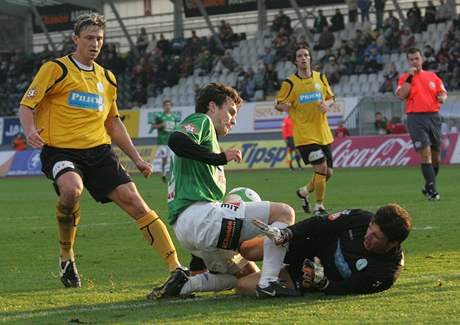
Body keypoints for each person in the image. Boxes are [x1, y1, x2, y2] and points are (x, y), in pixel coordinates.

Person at [17, 13, 186, 291]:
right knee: (72, 190)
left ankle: (176, 268)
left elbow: (113, 122)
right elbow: (27, 105)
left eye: (99, 39)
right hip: (61, 151)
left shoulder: (107, 78)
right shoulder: (56, 69)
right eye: (89, 38)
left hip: (99, 152)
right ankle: (66, 256)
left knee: (136, 202)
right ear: (75, 39)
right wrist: (29, 130)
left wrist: (137, 159)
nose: (95, 43)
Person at [148, 83, 299, 299]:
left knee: (247, 278)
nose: (233, 120)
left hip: (188, 229)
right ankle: (269, 284)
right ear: (212, 107)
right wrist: (219, 158)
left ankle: (186, 284)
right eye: (230, 112)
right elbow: (176, 139)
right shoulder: (202, 121)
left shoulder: (207, 146)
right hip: (200, 217)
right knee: (284, 212)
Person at [237, 203, 412, 296]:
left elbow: (348, 288)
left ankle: (228, 274)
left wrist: (322, 283)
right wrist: (288, 233)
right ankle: (220, 261)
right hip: (308, 244)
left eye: (376, 237)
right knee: (248, 251)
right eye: (370, 229)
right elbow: (318, 222)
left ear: (393, 243)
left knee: (243, 286)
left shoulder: (385, 273)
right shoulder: (362, 218)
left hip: (307, 275)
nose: (368, 236)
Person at [275, 47, 335, 218]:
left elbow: (331, 98)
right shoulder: (290, 83)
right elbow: (278, 103)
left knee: (328, 173)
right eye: (299, 56)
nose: (303, 58)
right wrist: (282, 106)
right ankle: (319, 206)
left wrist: (327, 105)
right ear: (295, 61)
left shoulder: (320, 77)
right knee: (322, 168)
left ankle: (304, 191)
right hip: (305, 135)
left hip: (324, 133)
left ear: (310, 59)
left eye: (306, 55)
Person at [396, 48, 448, 201]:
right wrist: (410, 78)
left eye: (416, 58)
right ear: (408, 61)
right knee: (425, 155)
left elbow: (443, 92)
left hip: (434, 117)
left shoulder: (432, 76)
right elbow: (401, 95)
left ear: (421, 59)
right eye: (411, 59)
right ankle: (432, 191)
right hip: (415, 118)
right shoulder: (405, 78)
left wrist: (442, 97)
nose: (414, 62)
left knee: (436, 157)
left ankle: (427, 186)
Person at [151, 100, 180, 183]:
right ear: (163, 107)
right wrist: (160, 125)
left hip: (171, 141)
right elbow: (152, 126)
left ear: (171, 106)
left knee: (172, 159)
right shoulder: (159, 116)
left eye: (169, 105)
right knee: (164, 159)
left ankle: (173, 175)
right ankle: (163, 174)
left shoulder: (174, 117)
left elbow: (175, 128)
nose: (168, 107)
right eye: (166, 105)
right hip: (162, 141)